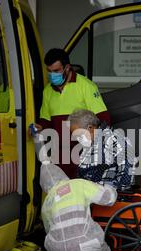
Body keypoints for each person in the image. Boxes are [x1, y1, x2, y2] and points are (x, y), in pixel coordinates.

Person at [33, 48, 111, 178]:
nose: (52, 75)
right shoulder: (47, 91)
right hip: (59, 155)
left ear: (67, 68)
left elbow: (104, 120)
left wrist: (94, 149)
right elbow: (46, 122)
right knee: (62, 194)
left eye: (56, 71)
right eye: (49, 71)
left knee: (83, 192)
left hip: (83, 154)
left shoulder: (86, 86)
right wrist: (39, 128)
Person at [39, 162, 117, 251]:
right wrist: (111, 188)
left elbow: (49, 230)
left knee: (64, 250)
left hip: (55, 246)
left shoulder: (47, 201)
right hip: (85, 243)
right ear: (61, 174)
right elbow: (107, 198)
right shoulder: (78, 184)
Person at [68, 109, 136, 191]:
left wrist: (101, 192)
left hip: (109, 197)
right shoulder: (89, 145)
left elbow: (126, 180)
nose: (78, 139)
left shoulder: (115, 141)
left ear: (90, 127)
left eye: (79, 135)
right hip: (89, 195)